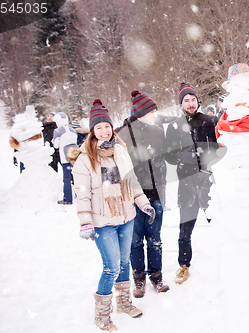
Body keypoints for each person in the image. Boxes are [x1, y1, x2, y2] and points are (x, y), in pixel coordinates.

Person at [73, 99, 156, 331]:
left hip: (126, 217)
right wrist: (86, 222)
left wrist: (144, 204)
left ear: (111, 127)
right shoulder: (84, 159)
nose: (103, 130)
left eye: (106, 126)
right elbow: (82, 194)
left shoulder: (120, 150)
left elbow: (131, 181)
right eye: (98, 127)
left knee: (124, 262)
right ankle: (102, 315)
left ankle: (124, 304)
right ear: (92, 131)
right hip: (103, 222)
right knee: (111, 266)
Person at [164, 82, 219, 284]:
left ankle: (225, 260)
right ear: (181, 104)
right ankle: (184, 265)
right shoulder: (174, 126)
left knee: (218, 223)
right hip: (186, 184)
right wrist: (184, 157)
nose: (190, 103)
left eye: (193, 99)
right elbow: (168, 155)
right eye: (186, 100)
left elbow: (220, 149)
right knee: (185, 229)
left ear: (198, 101)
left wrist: (206, 156)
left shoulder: (209, 121)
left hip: (208, 182)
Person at [115, 90, 169, 298]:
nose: (156, 115)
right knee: (135, 240)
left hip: (155, 194)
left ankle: (156, 275)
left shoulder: (157, 130)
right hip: (133, 196)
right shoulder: (122, 134)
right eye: (152, 111)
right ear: (142, 113)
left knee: (155, 238)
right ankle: (139, 278)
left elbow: (163, 160)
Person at [52, 112, 77, 205]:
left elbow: (56, 145)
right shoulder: (72, 130)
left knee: (66, 178)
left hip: (65, 158)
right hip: (75, 155)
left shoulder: (57, 131)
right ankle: (80, 194)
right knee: (77, 176)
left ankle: (68, 198)